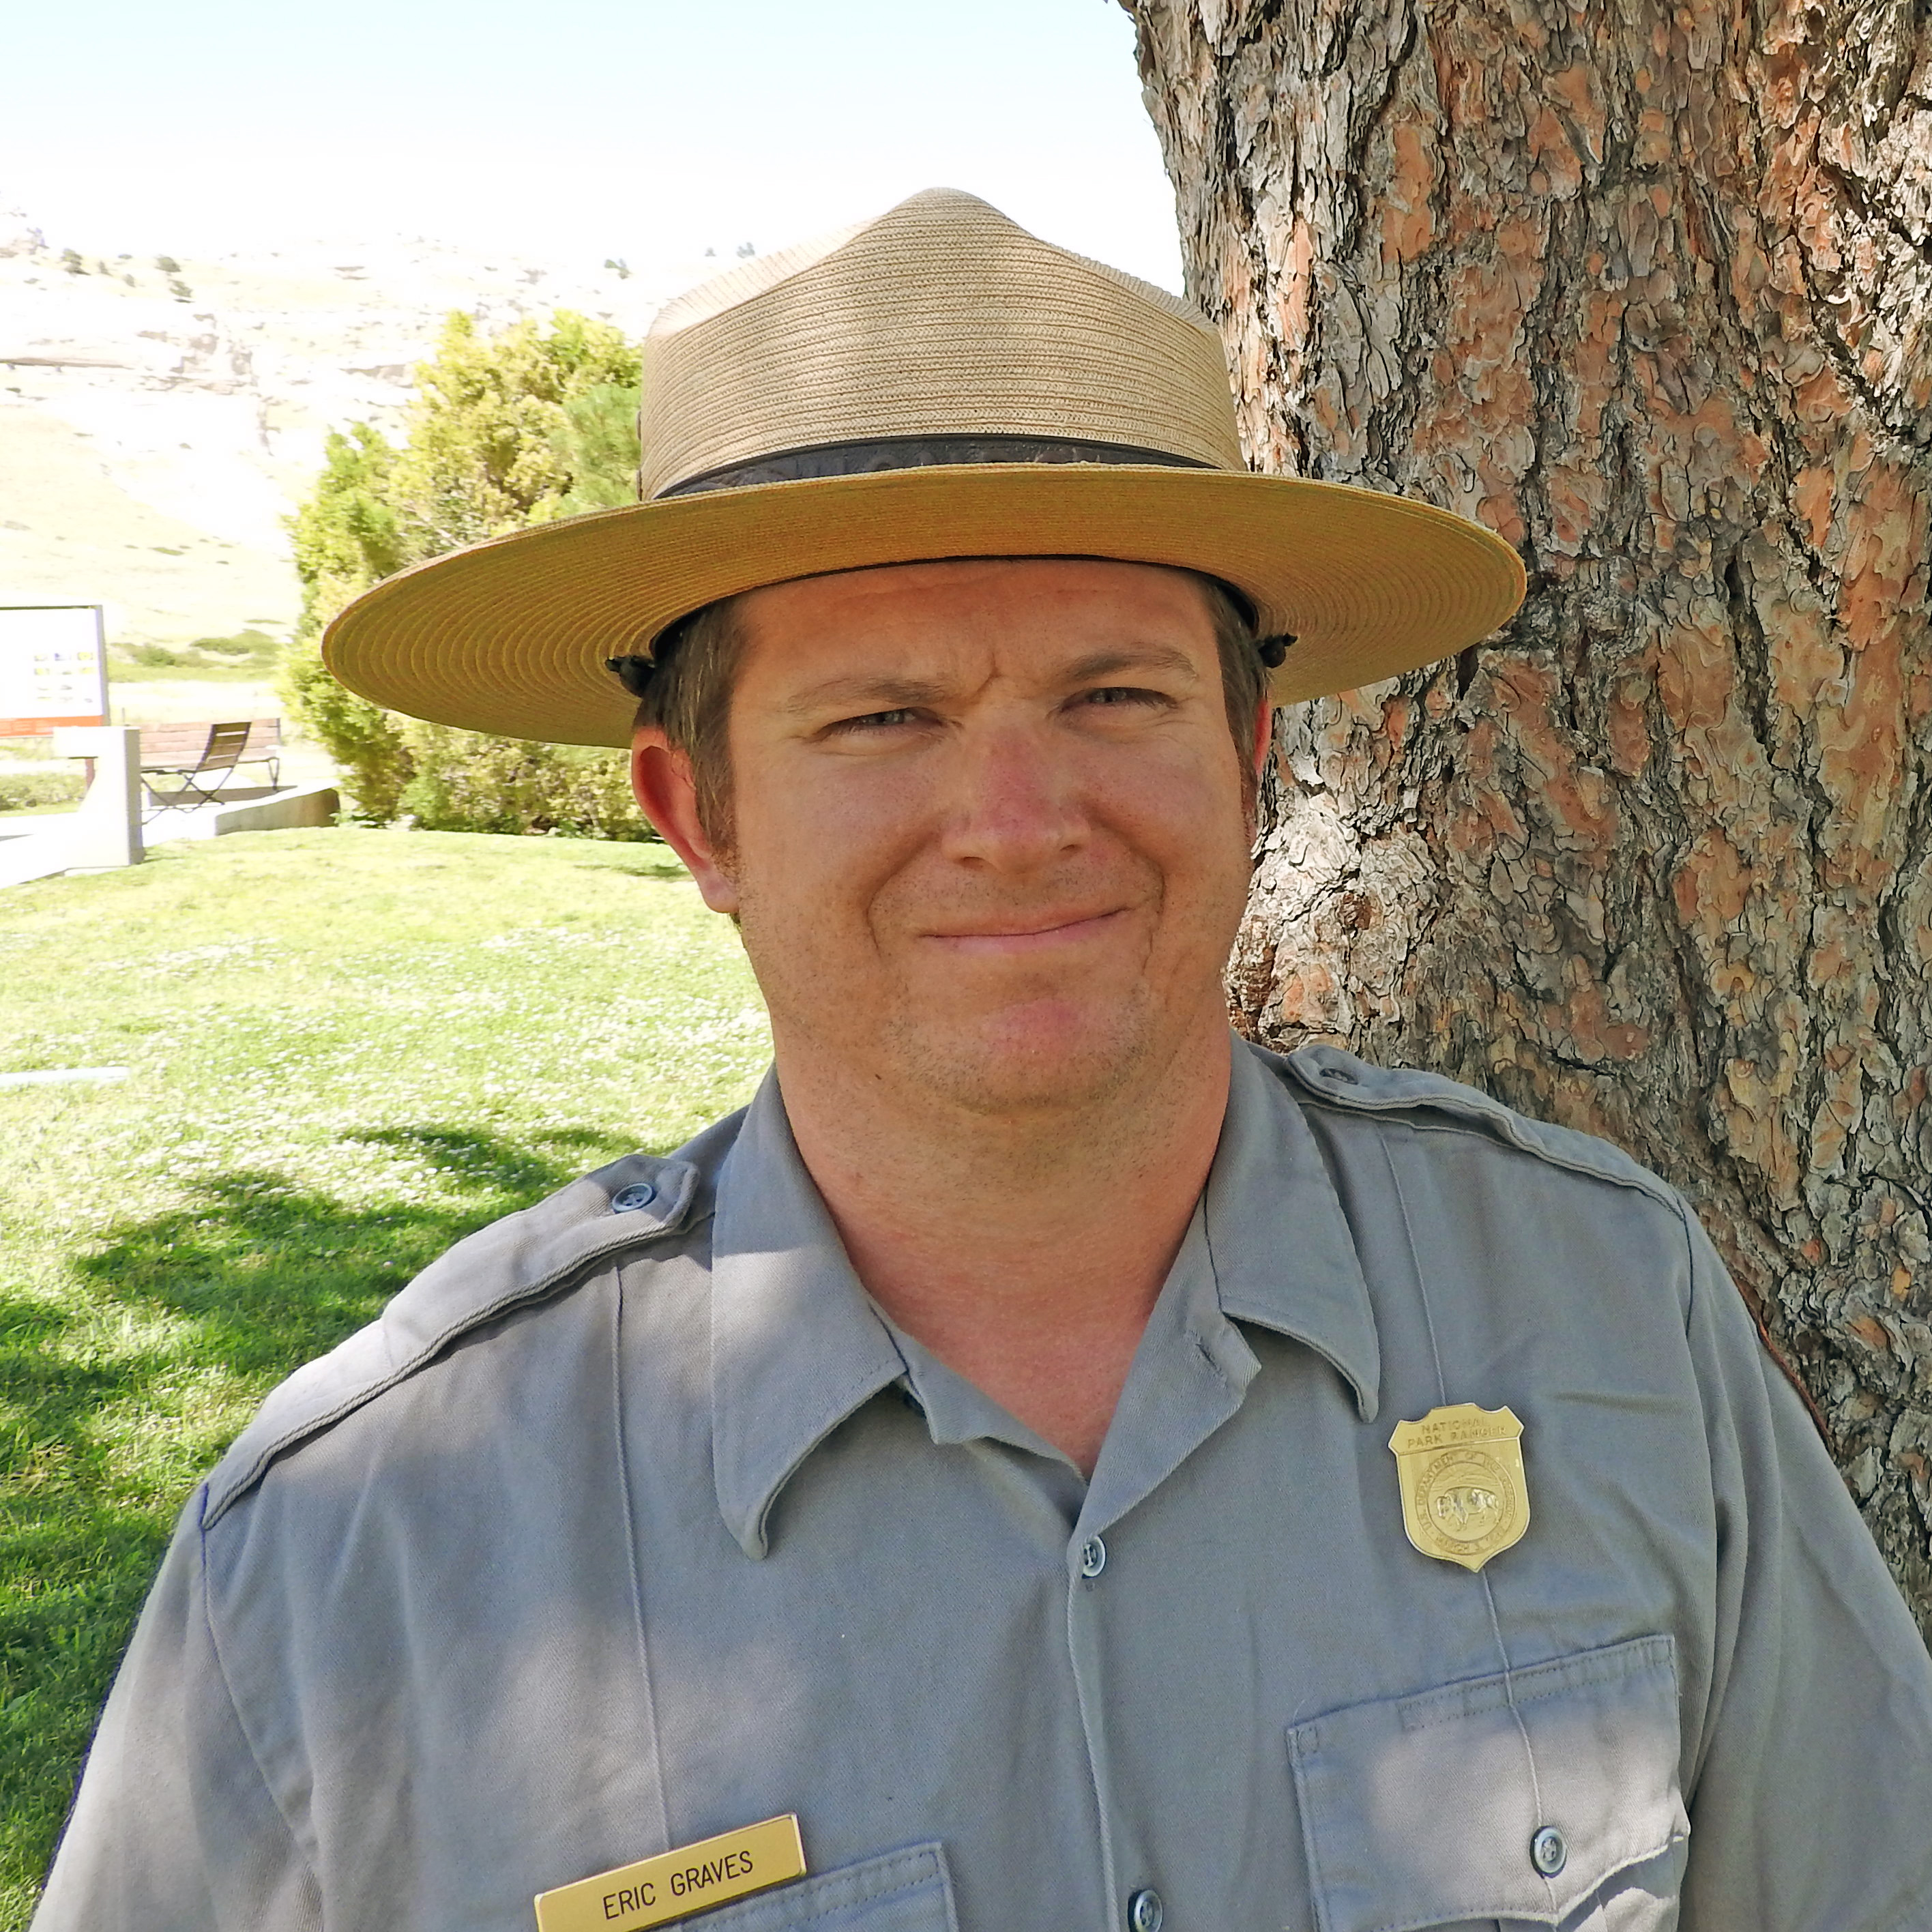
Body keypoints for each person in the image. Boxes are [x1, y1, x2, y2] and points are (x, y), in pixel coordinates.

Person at [34, 189, 1932, 1932]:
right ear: (697, 816)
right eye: (879, 718)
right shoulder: (368, 1548)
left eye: (1115, 696)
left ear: (1250, 758)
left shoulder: (1604, 1317)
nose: (1018, 821)